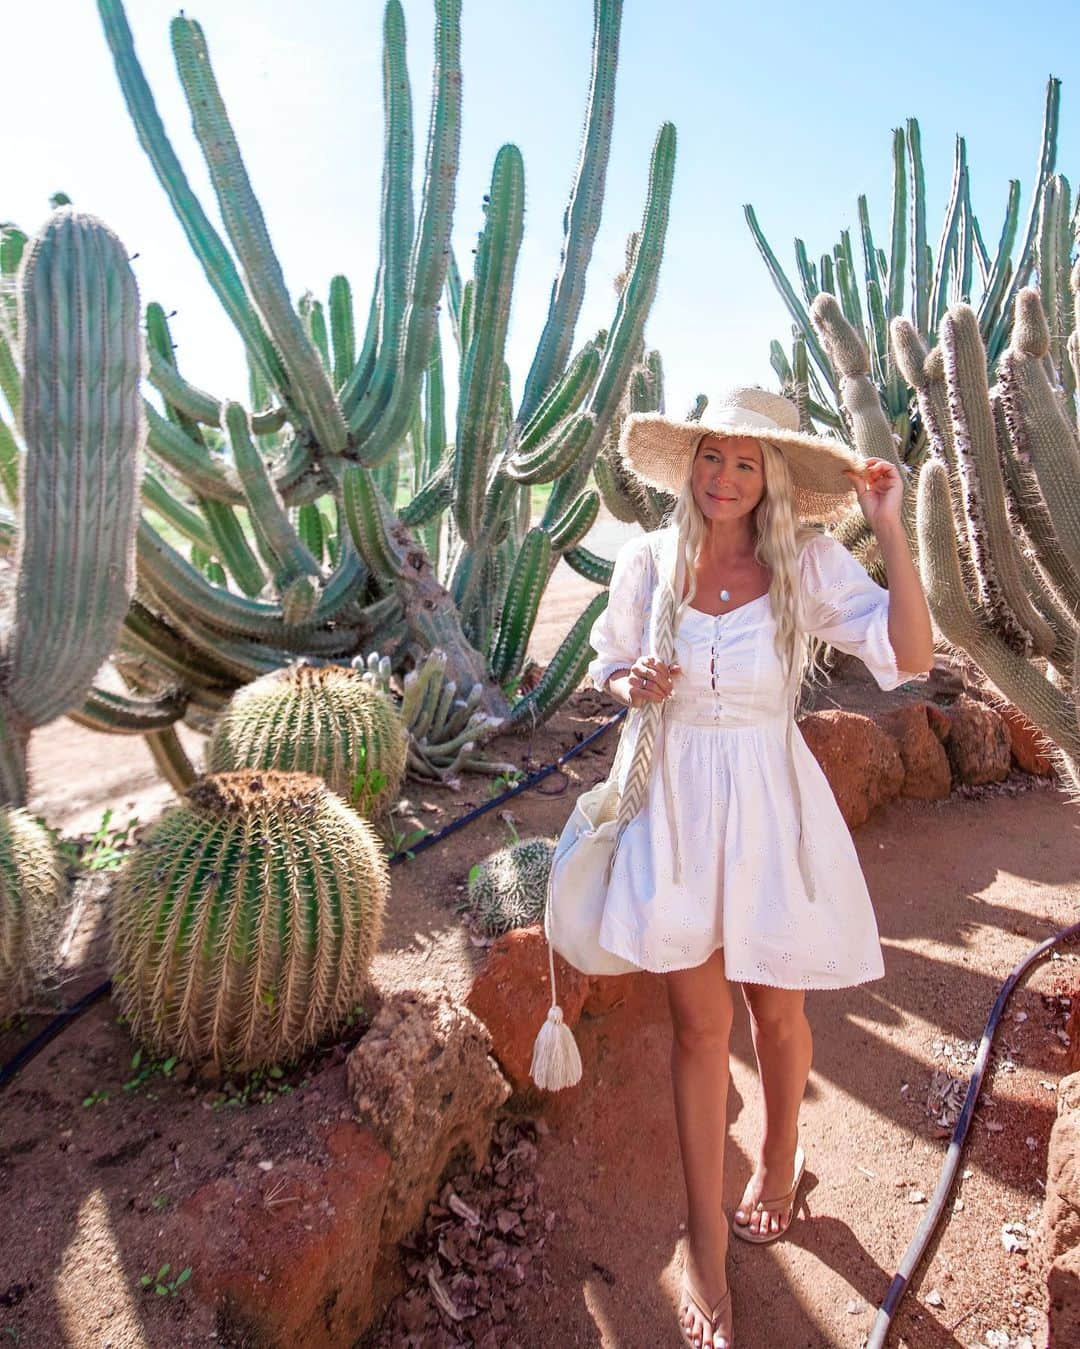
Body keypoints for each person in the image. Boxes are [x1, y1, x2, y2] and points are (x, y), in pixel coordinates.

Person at [585, 387, 935, 1349]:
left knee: (777, 1012)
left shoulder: (805, 562)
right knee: (699, 1031)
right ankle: (705, 1241)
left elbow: (909, 654)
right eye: (711, 458)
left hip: (772, 806)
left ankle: (780, 1156)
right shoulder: (648, 561)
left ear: (771, 474)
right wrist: (631, 681)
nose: (724, 478)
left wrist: (890, 531)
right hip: (678, 811)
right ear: (690, 463)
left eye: (745, 462)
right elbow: (607, 663)